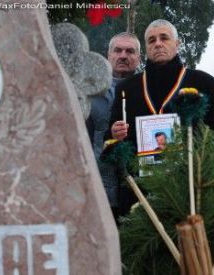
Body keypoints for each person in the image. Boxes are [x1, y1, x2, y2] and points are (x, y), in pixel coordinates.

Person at [108, 19, 214, 214]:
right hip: (140, 196)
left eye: (164, 38)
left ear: (177, 43)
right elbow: (111, 141)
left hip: (194, 192)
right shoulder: (127, 88)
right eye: (151, 40)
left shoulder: (204, 83)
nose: (158, 43)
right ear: (146, 48)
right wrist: (115, 133)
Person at [86, 32, 141, 219]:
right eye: (118, 50)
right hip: (101, 193)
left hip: (140, 193)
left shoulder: (148, 91)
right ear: (108, 55)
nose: (123, 56)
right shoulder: (89, 93)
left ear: (139, 58)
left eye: (130, 51)